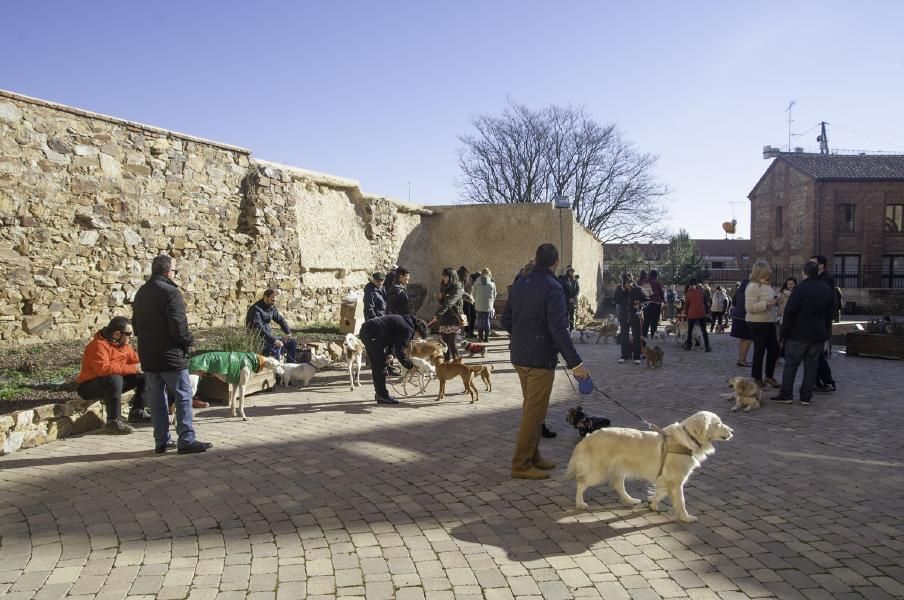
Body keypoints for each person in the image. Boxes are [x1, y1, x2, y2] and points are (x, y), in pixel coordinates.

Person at [502, 243, 590, 480]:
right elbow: (559, 330)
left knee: (533, 409)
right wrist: (576, 364)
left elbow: (506, 319)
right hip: (539, 359)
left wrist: (520, 334)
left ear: (536, 259)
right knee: (534, 413)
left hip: (520, 356)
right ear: (556, 263)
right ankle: (520, 464)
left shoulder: (520, 283)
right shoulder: (553, 287)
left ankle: (533, 456)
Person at [132, 255, 212, 454]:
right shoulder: (170, 292)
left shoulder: (141, 292)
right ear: (168, 271)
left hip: (148, 353)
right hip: (170, 354)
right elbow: (178, 325)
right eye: (174, 270)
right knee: (183, 395)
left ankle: (161, 440)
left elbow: (135, 324)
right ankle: (186, 439)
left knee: (157, 398)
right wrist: (188, 341)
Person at [772, 261, 835, 405]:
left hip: (798, 333)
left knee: (791, 365)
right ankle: (806, 396)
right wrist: (825, 332)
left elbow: (790, 312)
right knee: (811, 366)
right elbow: (830, 312)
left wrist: (783, 333)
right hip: (818, 333)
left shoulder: (800, 288)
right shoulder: (825, 288)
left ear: (804, 272)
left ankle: (787, 394)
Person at [75, 316, 144, 434]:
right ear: (117, 334)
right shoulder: (98, 345)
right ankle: (113, 421)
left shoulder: (124, 345)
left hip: (113, 384)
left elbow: (136, 361)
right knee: (115, 378)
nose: (131, 336)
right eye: (128, 333)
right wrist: (134, 368)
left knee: (144, 375)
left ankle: (137, 412)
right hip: (88, 387)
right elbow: (103, 369)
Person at [359, 314, 428, 404]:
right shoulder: (408, 329)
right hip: (371, 333)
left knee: (379, 365)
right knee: (379, 366)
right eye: (418, 336)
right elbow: (400, 352)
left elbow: (393, 339)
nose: (416, 338)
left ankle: (380, 394)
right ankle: (382, 396)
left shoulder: (405, 323)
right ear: (417, 331)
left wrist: (390, 354)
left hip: (370, 331)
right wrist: (410, 366)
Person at [744, 261, 780, 387]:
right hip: (757, 322)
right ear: (761, 271)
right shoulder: (753, 286)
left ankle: (769, 376)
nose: (770, 271)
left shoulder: (768, 285)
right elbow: (749, 308)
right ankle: (757, 378)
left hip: (769, 320)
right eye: (767, 270)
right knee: (760, 350)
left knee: (774, 349)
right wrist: (767, 304)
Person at [809, 255, 838, 392]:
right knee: (814, 354)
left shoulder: (826, 280)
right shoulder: (816, 279)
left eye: (812, 263)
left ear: (821, 266)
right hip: (814, 322)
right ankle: (817, 381)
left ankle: (827, 381)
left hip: (820, 322)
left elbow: (826, 303)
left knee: (817, 353)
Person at [246, 289, 297, 363]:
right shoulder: (256, 309)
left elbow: (280, 320)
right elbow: (260, 329)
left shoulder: (271, 307)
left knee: (292, 342)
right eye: (272, 300)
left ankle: (290, 368)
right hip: (258, 340)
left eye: (275, 300)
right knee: (276, 346)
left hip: (268, 338)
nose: (274, 302)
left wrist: (288, 333)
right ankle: (276, 372)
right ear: (265, 298)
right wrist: (274, 340)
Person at [429, 267, 464, 360]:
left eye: (445, 276)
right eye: (443, 275)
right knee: (444, 343)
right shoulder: (443, 285)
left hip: (454, 318)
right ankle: (446, 364)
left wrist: (437, 314)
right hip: (444, 318)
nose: (443, 277)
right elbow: (442, 302)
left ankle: (458, 364)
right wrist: (439, 298)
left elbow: (450, 303)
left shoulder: (457, 287)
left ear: (451, 277)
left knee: (452, 342)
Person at [614, 274, 644, 363]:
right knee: (624, 337)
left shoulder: (638, 290)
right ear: (623, 283)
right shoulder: (620, 289)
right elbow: (616, 300)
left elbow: (646, 300)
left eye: (629, 282)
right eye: (626, 282)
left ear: (632, 282)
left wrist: (640, 306)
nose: (628, 284)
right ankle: (624, 355)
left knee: (637, 337)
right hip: (623, 317)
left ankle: (637, 357)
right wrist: (622, 291)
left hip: (635, 316)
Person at [684, 278, 712, 352]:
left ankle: (688, 346)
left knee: (690, 330)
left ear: (689, 284)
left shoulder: (688, 293)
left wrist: (686, 314)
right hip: (701, 313)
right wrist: (707, 312)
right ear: (696, 284)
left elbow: (686, 305)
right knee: (704, 330)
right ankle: (707, 346)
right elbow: (706, 303)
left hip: (691, 313)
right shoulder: (702, 292)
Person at [730, 279, 753, 367]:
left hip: (736, 315)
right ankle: (743, 360)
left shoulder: (739, 290)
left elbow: (733, 302)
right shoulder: (750, 290)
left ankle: (741, 359)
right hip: (745, 316)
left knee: (742, 339)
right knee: (748, 338)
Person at [472, 267, 497, 343]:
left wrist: (476, 300)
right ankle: (486, 338)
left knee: (480, 320)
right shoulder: (492, 284)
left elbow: (473, 293)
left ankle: (480, 338)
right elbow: (494, 294)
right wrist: (491, 302)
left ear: (481, 273)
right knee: (486, 320)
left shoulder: (476, 283)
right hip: (488, 305)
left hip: (479, 304)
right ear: (489, 274)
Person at [643, 270, 664, 337]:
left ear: (650, 275)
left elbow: (643, 292)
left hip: (647, 303)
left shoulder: (646, 282)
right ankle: (653, 334)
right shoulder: (658, 283)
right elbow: (661, 292)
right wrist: (663, 300)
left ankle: (644, 333)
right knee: (655, 320)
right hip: (656, 303)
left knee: (646, 319)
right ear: (656, 276)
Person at [558, 266, 580, 331]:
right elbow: (562, 291)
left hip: (572, 300)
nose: (573, 273)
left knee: (572, 315)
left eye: (573, 271)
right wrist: (568, 299)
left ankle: (571, 329)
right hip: (565, 301)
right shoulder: (562, 280)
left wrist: (574, 297)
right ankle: (564, 329)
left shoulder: (574, 279)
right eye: (571, 271)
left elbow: (577, 289)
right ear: (568, 272)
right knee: (565, 315)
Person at [458, 266, 477, 338]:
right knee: (465, 317)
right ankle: (466, 332)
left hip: (470, 300)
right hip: (463, 300)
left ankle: (470, 331)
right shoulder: (460, 280)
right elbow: (461, 292)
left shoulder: (469, 278)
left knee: (472, 316)